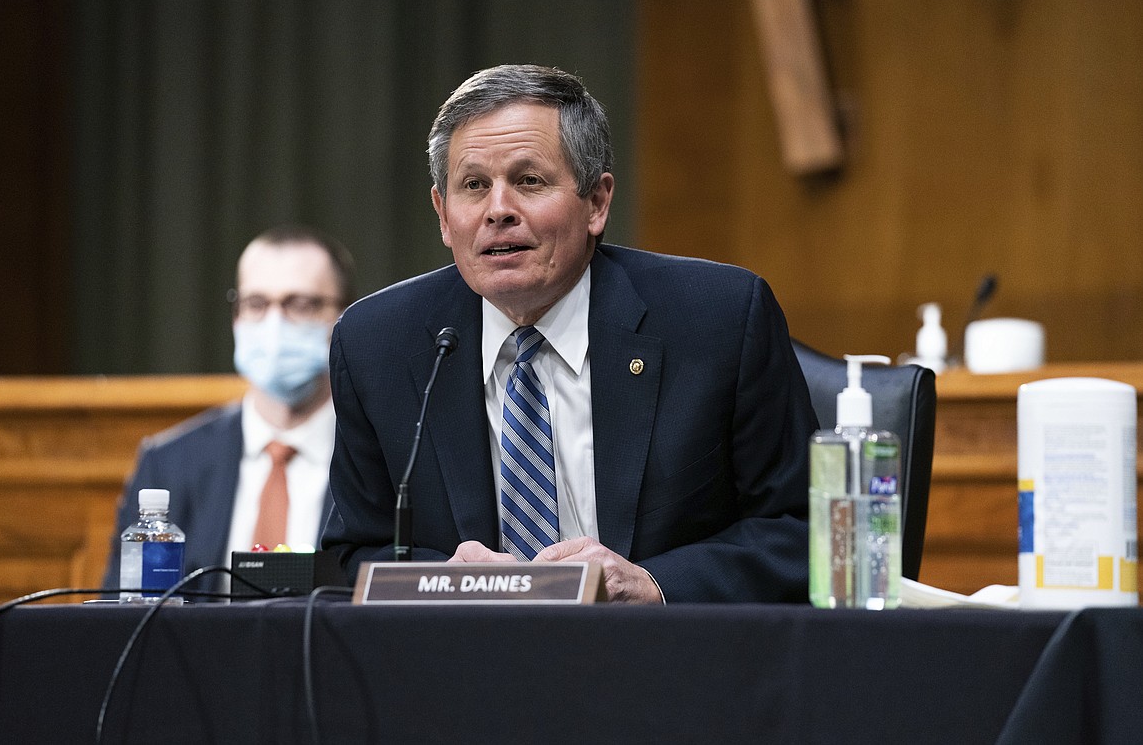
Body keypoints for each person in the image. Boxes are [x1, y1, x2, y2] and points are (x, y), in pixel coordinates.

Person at [321, 64, 817, 603]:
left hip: (664, 664)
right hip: (467, 668)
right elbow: (353, 552)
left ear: (597, 202)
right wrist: (448, 581)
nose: (499, 210)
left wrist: (654, 584)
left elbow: (806, 532)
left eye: (529, 181)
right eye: (474, 186)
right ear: (443, 215)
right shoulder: (379, 344)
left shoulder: (718, 320)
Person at [103, 227, 356, 596]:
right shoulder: (170, 464)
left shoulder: (381, 460)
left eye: (300, 305)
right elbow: (122, 616)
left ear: (344, 316)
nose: (274, 324)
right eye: (256, 304)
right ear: (237, 316)